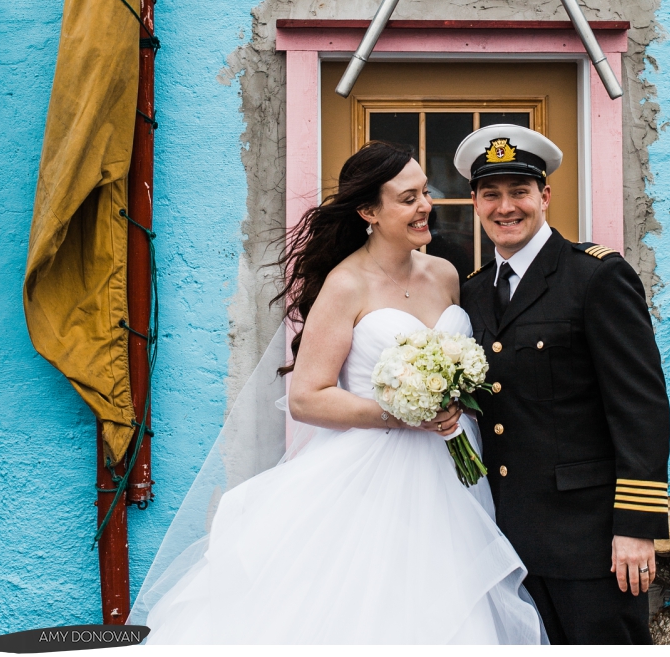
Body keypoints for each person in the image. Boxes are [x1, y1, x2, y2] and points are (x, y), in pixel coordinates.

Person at [135, 141, 544, 644]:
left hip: (453, 475)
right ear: (369, 211)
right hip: (370, 479)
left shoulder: (445, 273)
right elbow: (308, 397)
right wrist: (402, 413)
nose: (425, 207)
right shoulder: (346, 284)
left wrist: (454, 401)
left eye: (425, 193)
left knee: (449, 609)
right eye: (408, 198)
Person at [454, 125, 670, 645]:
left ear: (545, 196)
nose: (505, 207)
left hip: (590, 541)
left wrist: (637, 525)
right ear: (476, 203)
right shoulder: (474, 293)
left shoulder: (596, 278)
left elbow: (640, 406)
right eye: (491, 195)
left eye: (519, 192)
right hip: (507, 536)